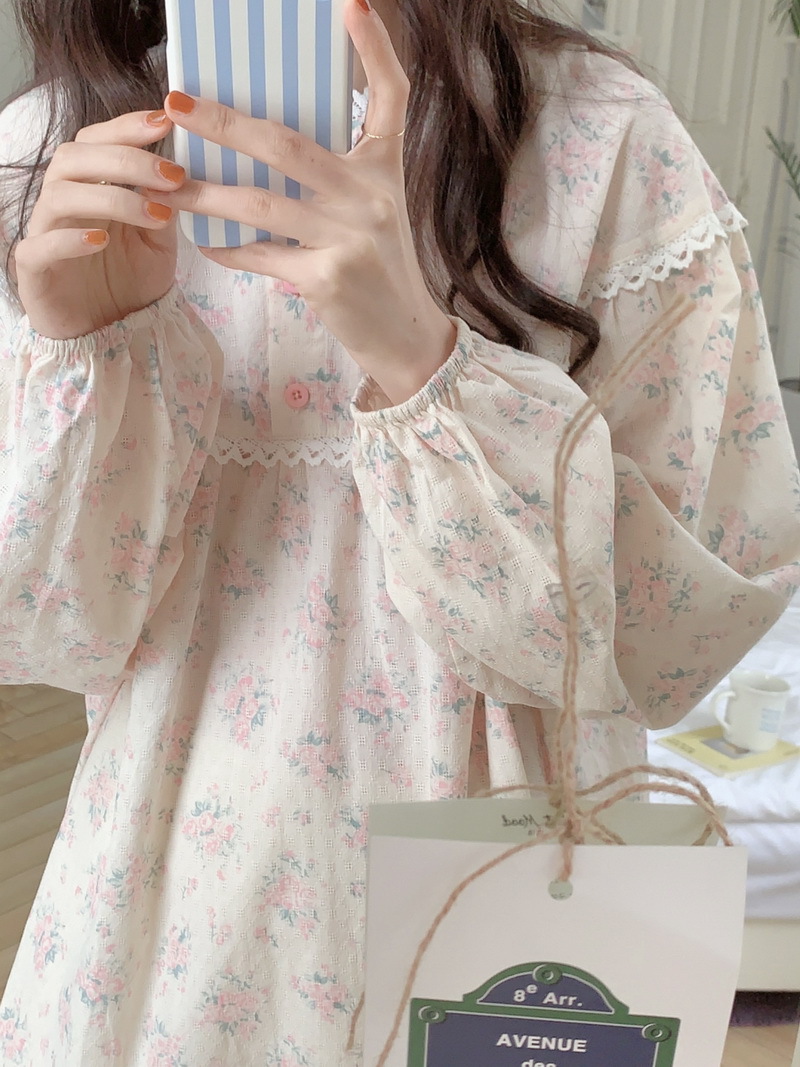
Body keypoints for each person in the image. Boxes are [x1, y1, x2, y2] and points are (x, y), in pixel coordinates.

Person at [1, 0, 799, 1062]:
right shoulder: (54, 153)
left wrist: (424, 356)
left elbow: (677, 638)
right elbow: (47, 633)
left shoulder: (600, 136)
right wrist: (90, 350)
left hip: (500, 918)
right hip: (159, 945)